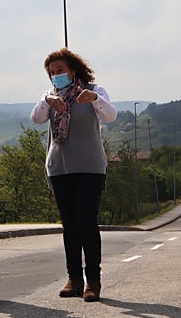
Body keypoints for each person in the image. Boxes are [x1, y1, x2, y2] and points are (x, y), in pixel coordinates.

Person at [30, 47, 117, 302]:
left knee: (86, 222)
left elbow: (111, 115)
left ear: (73, 70)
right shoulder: (50, 95)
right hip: (60, 168)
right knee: (69, 225)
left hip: (90, 167)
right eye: (52, 73)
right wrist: (48, 100)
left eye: (60, 71)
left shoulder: (93, 90)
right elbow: (36, 118)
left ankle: (93, 281)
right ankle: (74, 279)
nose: (56, 76)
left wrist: (94, 99)